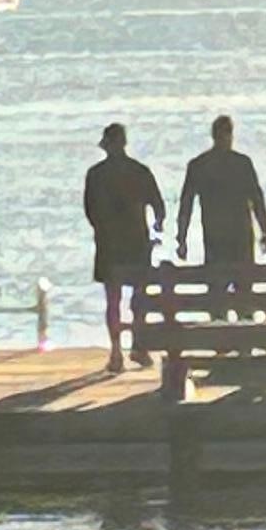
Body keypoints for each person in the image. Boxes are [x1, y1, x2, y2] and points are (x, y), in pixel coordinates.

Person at [82, 123, 165, 369]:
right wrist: (157, 224)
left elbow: (90, 210)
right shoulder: (140, 171)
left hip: (109, 244)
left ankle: (116, 352)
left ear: (107, 145)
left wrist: (101, 228)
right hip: (137, 242)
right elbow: (158, 206)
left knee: (113, 300)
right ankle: (139, 347)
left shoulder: (96, 175)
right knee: (139, 298)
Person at [175, 114, 266, 308]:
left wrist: (182, 238)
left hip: (217, 236)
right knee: (242, 294)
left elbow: (186, 205)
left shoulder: (199, 165)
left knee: (218, 295)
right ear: (230, 135)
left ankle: (222, 332)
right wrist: (265, 233)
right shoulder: (241, 164)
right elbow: (257, 201)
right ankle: (242, 331)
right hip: (238, 236)